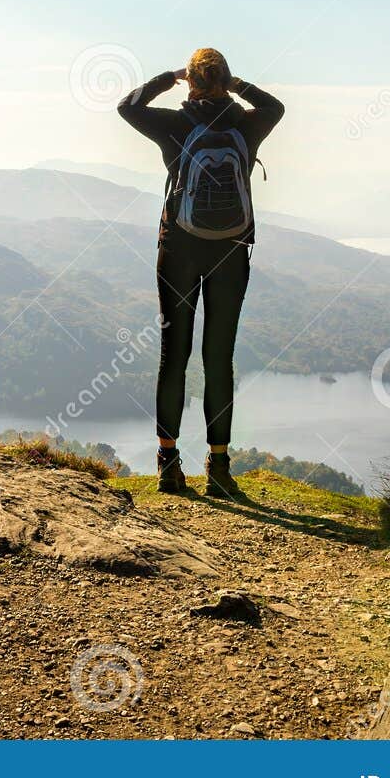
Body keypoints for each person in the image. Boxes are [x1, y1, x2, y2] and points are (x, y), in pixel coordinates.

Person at [117, 47, 284, 496]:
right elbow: (276, 107)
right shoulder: (247, 124)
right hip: (230, 251)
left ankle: (168, 463)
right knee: (218, 358)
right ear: (227, 80)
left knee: (175, 354)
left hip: (178, 250)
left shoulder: (174, 124)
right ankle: (219, 467)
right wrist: (238, 87)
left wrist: (165, 79)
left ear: (189, 82)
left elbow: (127, 106)